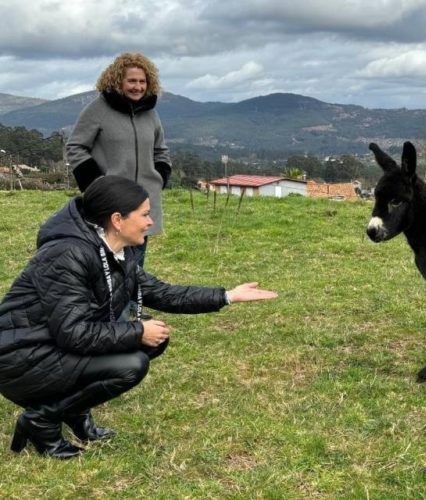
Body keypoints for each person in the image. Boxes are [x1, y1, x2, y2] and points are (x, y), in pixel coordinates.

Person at [0, 176, 277, 459]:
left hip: (54, 347)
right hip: (22, 357)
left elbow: (164, 294)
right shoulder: (67, 254)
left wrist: (228, 295)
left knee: (154, 341)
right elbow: (73, 332)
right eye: (144, 214)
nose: (150, 222)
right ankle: (41, 420)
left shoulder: (117, 251)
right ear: (117, 219)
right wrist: (136, 331)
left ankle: (74, 413)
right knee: (132, 363)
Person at [66, 52, 171, 268]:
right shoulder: (98, 109)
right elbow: (75, 146)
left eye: (143, 82)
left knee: (135, 265)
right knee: (107, 265)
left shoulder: (151, 114)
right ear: (117, 81)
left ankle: (133, 302)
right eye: (132, 81)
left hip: (144, 202)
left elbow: (161, 150)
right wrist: (96, 184)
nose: (138, 87)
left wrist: (159, 176)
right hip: (110, 202)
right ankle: (112, 302)